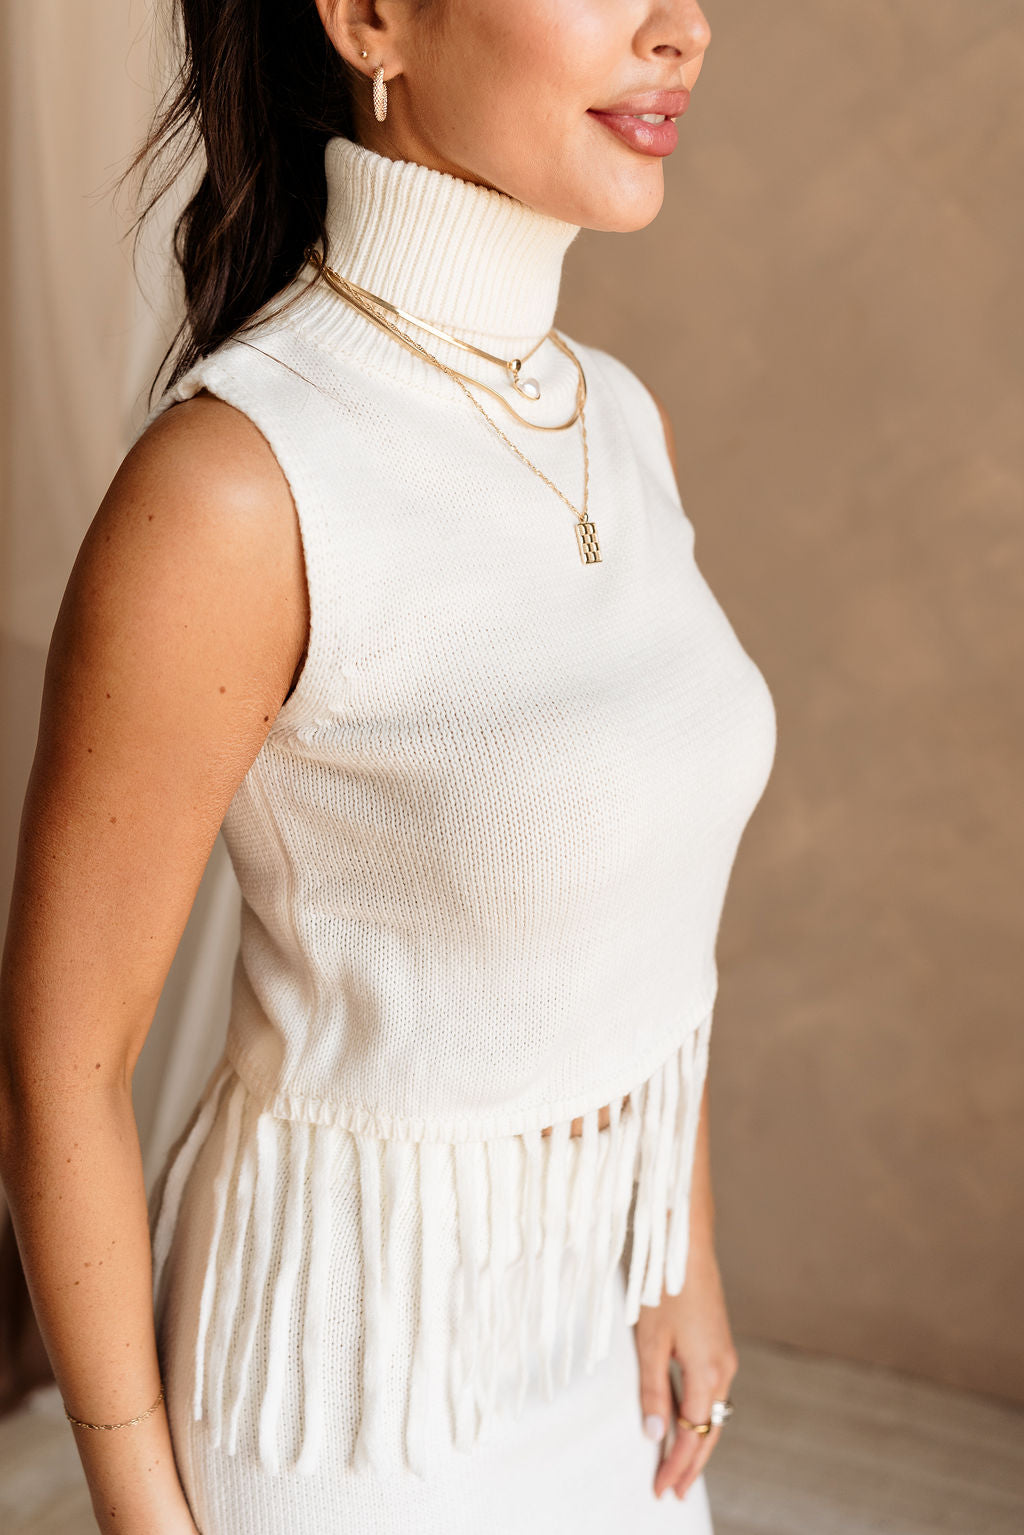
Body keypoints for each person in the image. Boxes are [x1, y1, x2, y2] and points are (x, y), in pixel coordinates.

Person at [0, 1, 779, 1531]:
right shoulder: (238, 487)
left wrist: (681, 1251)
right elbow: (59, 1071)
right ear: (368, 16)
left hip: (594, 1351)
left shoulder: (614, 422)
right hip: (339, 1396)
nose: (681, 27)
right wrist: (144, 1516)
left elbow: (638, 907)